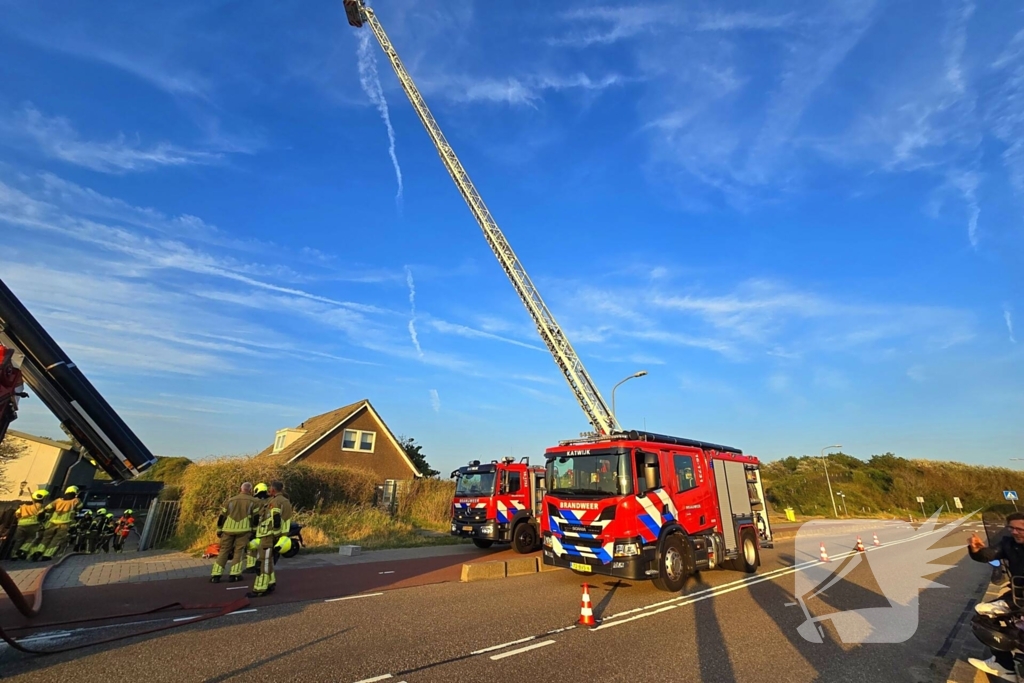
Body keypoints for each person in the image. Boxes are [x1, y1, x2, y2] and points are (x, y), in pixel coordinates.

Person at [967, 512, 1024, 680]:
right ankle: (1004, 664)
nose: (1014, 532)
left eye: (1020, 529)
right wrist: (977, 550)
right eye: (1011, 528)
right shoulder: (1008, 543)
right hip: (1016, 596)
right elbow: (990, 554)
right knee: (983, 615)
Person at [210, 482, 259, 584]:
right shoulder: (254, 501)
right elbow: (256, 518)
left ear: (240, 489)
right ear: (250, 490)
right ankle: (234, 575)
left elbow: (222, 517)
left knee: (224, 551)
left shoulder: (230, 500)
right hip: (244, 530)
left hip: (228, 529)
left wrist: (219, 529)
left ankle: (216, 575)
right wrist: (254, 531)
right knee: (239, 551)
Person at [249, 480, 292, 597]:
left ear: (273, 489)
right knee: (268, 561)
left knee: (263, 562)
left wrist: (275, 534)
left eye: (270, 489)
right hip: (274, 535)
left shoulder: (275, 501)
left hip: (269, 535)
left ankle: (260, 589)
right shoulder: (285, 500)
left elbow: (276, 518)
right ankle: (271, 582)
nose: (268, 490)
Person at [30, 485, 83, 561]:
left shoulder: (58, 500)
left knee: (46, 538)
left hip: (52, 523)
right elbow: (80, 507)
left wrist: (41, 513)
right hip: (65, 524)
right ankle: (47, 555)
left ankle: (39, 551)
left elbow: (48, 508)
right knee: (57, 540)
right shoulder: (75, 501)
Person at [12, 489, 48, 560]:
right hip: (33, 525)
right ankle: (25, 552)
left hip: (21, 525)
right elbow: (42, 516)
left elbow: (17, 514)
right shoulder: (40, 506)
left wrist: (20, 519)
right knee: (33, 538)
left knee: (18, 540)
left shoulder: (23, 506)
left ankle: (14, 555)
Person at [244, 483, 270, 574]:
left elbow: (251, 515)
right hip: (268, 528)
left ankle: (251, 566)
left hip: (256, 527)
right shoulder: (271, 500)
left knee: (252, 547)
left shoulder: (254, 501)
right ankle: (261, 564)